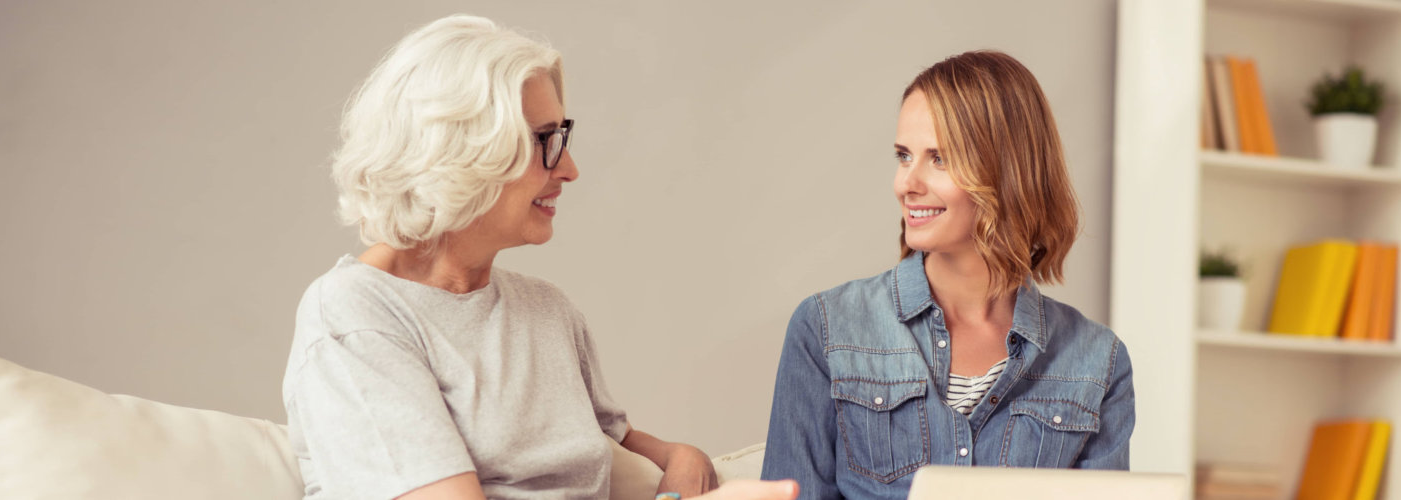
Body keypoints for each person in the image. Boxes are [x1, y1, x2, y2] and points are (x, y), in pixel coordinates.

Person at [281, 14, 795, 500]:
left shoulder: (547, 310)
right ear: (459, 150)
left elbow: (611, 442)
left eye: (562, 136)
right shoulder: (354, 316)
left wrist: (679, 458)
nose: (569, 168)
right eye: (544, 141)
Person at [759, 50, 1135, 500]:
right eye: (904, 156)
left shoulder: (1097, 362)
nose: (907, 183)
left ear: (1007, 171)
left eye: (939, 158)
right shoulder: (827, 328)